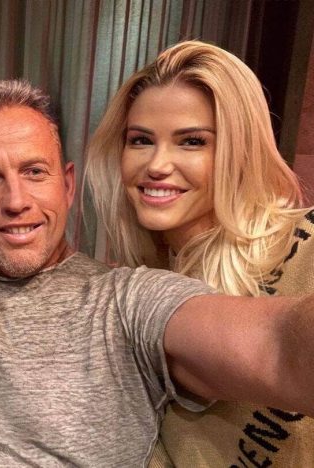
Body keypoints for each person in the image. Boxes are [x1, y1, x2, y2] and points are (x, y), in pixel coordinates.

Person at [0, 78, 314, 467]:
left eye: (34, 172)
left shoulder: (126, 300)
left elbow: (276, 347)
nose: (16, 201)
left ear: (67, 185)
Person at [85, 40, 314, 466]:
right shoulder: (130, 292)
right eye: (140, 140)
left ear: (239, 151)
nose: (157, 164)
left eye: (191, 141)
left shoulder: (307, 248)